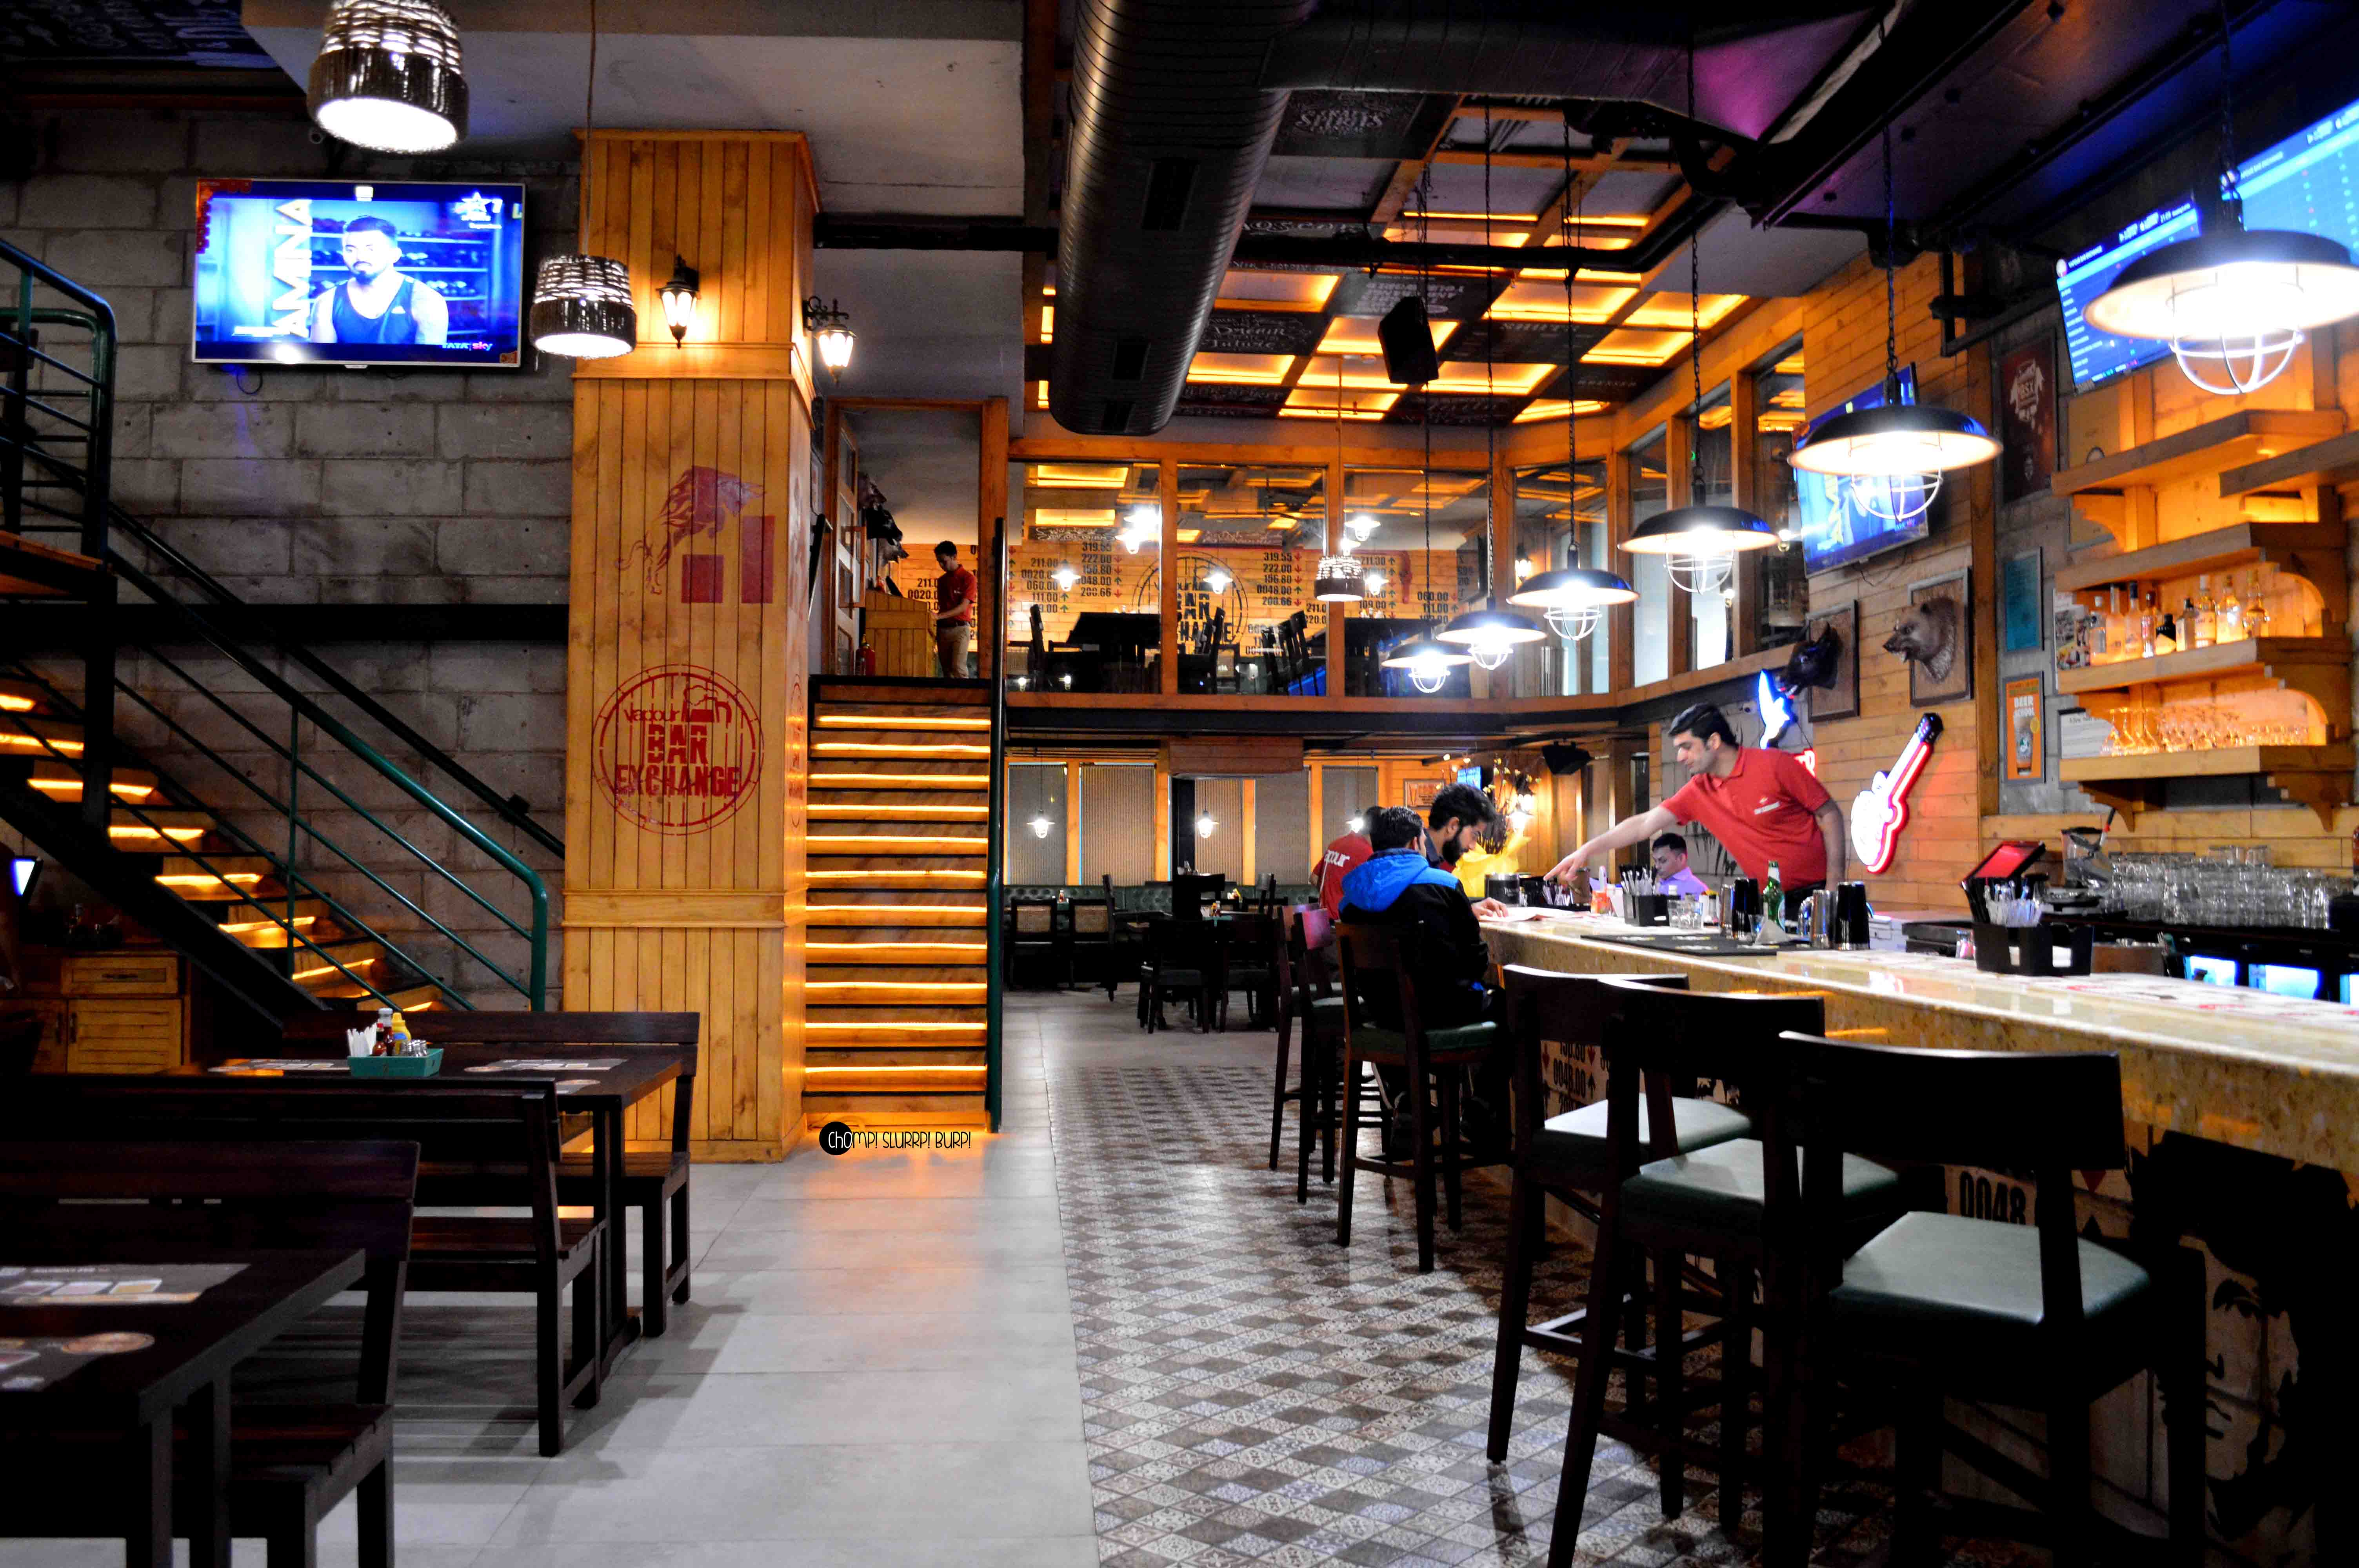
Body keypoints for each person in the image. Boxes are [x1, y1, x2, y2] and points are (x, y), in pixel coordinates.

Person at [1547, 700, 1844, 904]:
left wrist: (1834, 887)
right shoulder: (1699, 790)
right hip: (1769, 900)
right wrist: (1586, 850)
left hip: (1819, 893)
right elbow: (1643, 824)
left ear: (1714, 742)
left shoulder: (1774, 765)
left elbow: (1830, 814)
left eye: (1687, 747)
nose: (1680, 757)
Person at [311, 215, 449, 347]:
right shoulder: (327, 303)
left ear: (395, 255)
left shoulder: (426, 300)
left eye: (371, 249)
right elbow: (321, 360)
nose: (360, 257)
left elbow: (429, 361)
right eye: (351, 250)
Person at [1422, 781, 1513, 916]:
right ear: (1453, 826)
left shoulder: (1434, 861)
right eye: (1475, 835)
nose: (1473, 847)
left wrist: (1468, 908)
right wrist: (1464, 913)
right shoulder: (1417, 861)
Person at [1312, 820, 1372, 921]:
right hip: (1343, 922)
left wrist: (1330, 896)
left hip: (1322, 919)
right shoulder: (1367, 852)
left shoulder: (1335, 844)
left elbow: (1314, 878)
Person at [932, 541, 976, 678]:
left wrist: (938, 617)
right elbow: (944, 606)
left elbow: (963, 607)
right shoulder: (942, 581)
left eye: (944, 561)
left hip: (960, 629)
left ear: (954, 557)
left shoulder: (968, 578)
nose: (941, 565)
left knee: (959, 669)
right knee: (947, 673)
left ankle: (966, 693)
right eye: (939, 562)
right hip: (943, 629)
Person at [1650, 832, 1709, 896]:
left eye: (1663, 861)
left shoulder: (1699, 890)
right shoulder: (1655, 885)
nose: (1657, 866)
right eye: (1655, 861)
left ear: (1681, 859)